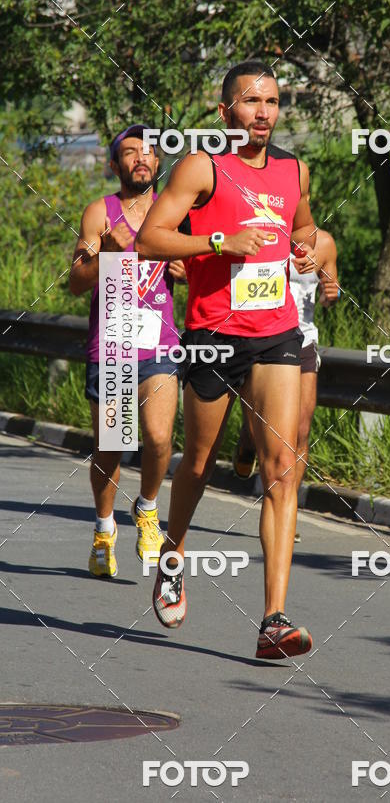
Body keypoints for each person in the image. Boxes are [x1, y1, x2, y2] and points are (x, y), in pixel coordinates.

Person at [135, 61, 318, 658]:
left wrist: (308, 253)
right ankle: (173, 551)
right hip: (214, 335)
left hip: (276, 332)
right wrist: (219, 241)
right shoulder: (202, 167)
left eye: (272, 100)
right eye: (250, 101)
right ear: (225, 112)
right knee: (197, 463)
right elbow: (150, 239)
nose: (263, 111)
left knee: (282, 468)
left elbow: (306, 229)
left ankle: (273, 619)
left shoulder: (294, 169)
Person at [69, 124, 186, 579]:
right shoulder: (101, 212)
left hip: (159, 342)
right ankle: (103, 529)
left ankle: (148, 508)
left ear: (159, 164)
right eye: (130, 152)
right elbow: (77, 282)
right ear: (115, 164)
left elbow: (199, 276)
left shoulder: (172, 212)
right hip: (113, 345)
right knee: (113, 445)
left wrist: (185, 269)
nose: (141, 158)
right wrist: (106, 256)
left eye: (149, 152)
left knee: (158, 439)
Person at [232, 230, 339, 544]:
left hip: (303, 340)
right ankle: (248, 438)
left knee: (300, 430)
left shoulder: (326, 244)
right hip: (261, 340)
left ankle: (285, 512)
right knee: (263, 427)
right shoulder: (261, 234)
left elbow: (330, 292)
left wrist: (331, 295)